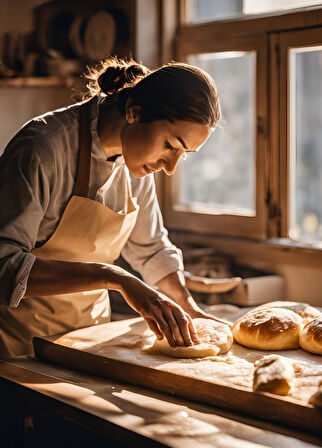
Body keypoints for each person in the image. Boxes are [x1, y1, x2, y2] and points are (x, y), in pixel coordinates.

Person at [0, 57, 222, 359]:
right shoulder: (43, 148)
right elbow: (5, 264)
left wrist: (189, 310)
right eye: (170, 145)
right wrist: (115, 277)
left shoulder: (137, 164)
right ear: (134, 112)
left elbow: (152, 249)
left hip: (87, 344)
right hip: (19, 349)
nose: (170, 168)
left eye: (183, 154)